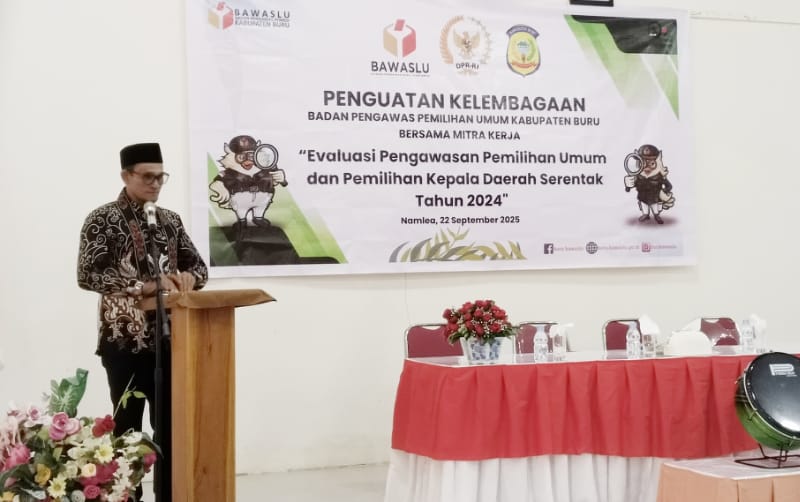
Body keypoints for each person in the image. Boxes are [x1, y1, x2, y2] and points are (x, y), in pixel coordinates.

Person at [77, 142, 208, 501]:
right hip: (124, 343)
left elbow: (199, 267)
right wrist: (141, 286)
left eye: (161, 177)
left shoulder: (169, 221)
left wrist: (189, 278)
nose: (155, 184)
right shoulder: (102, 219)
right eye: (147, 176)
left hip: (171, 342)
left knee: (170, 429)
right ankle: (127, 497)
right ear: (126, 175)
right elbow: (88, 274)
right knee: (128, 431)